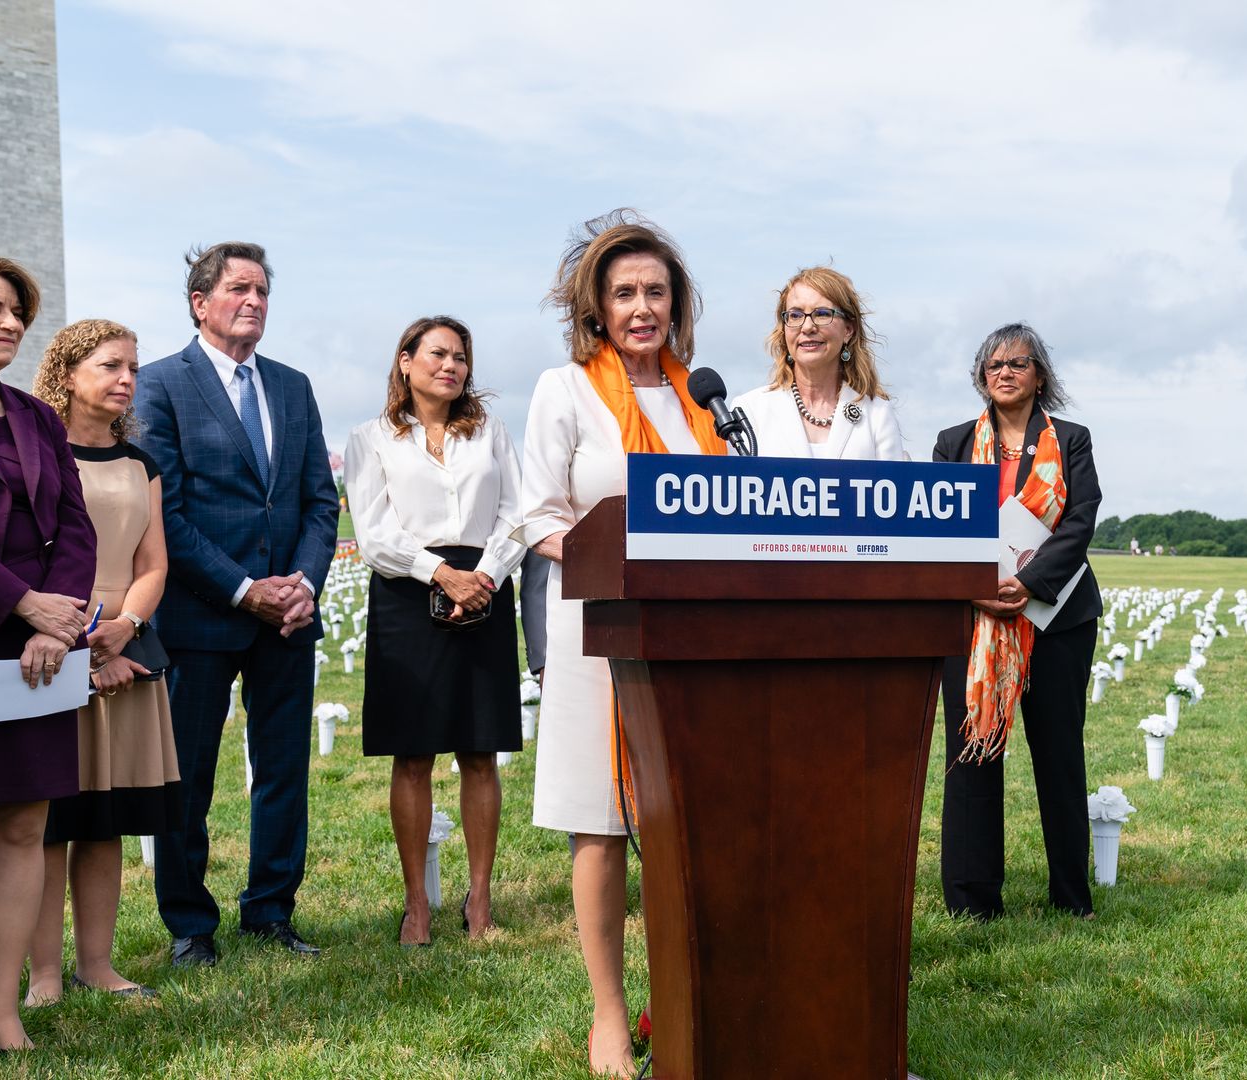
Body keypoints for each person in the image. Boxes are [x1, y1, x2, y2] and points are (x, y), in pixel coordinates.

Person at [518, 209, 728, 1077]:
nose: (642, 307)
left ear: (678, 306)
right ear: (596, 309)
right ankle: (609, 1017)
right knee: (600, 823)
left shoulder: (707, 403)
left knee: (694, 823)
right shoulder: (561, 390)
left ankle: (688, 996)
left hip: (697, 636)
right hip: (597, 628)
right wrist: (613, 557)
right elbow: (537, 515)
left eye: (656, 292)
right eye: (624, 293)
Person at [134, 242, 339, 967]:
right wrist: (243, 588)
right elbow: (169, 514)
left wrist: (302, 585)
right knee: (187, 775)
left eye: (262, 291)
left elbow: (320, 499)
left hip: (288, 616)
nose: (253, 301)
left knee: (283, 770)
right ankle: (190, 923)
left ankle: (272, 911)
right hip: (200, 615)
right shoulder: (159, 385)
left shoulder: (293, 385)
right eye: (238, 289)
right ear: (200, 302)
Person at [0, 247, 97, 1057]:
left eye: (18, 313)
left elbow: (73, 524)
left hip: (35, 655)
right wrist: (17, 598)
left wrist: (52, 621)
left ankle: (4, 1013)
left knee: (21, 827)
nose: (10, 325)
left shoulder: (37, 415)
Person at [344, 316, 524, 947]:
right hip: (407, 591)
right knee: (413, 752)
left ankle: (480, 896)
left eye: (461, 357)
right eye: (438, 354)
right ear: (405, 361)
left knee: (480, 751)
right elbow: (374, 533)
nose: (451, 366)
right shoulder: (371, 439)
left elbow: (517, 515)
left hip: (486, 588)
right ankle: (416, 902)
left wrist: (486, 576)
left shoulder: (492, 432)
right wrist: (441, 573)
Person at [19, 320, 179, 1005]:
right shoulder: (34, 451)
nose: (126, 379)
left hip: (128, 645)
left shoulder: (142, 465)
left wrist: (126, 628)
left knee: (105, 818)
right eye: (111, 365)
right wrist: (87, 642)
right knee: (45, 823)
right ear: (68, 372)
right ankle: (44, 975)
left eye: (133, 368)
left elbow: (154, 563)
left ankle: (96, 963)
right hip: (53, 648)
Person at [933, 323, 1103, 920]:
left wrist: (1029, 582)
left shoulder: (1072, 440)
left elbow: (1081, 519)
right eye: (993, 364)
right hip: (972, 622)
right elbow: (942, 529)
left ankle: (1069, 896)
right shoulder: (953, 444)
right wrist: (977, 589)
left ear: (1040, 375)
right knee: (973, 752)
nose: (1004, 372)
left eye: (1018, 363)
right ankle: (972, 901)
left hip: (1057, 620)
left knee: (1059, 754)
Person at [731, 266, 906, 459]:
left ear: (848, 329)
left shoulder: (877, 414)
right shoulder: (749, 409)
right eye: (795, 315)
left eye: (822, 314)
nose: (807, 327)